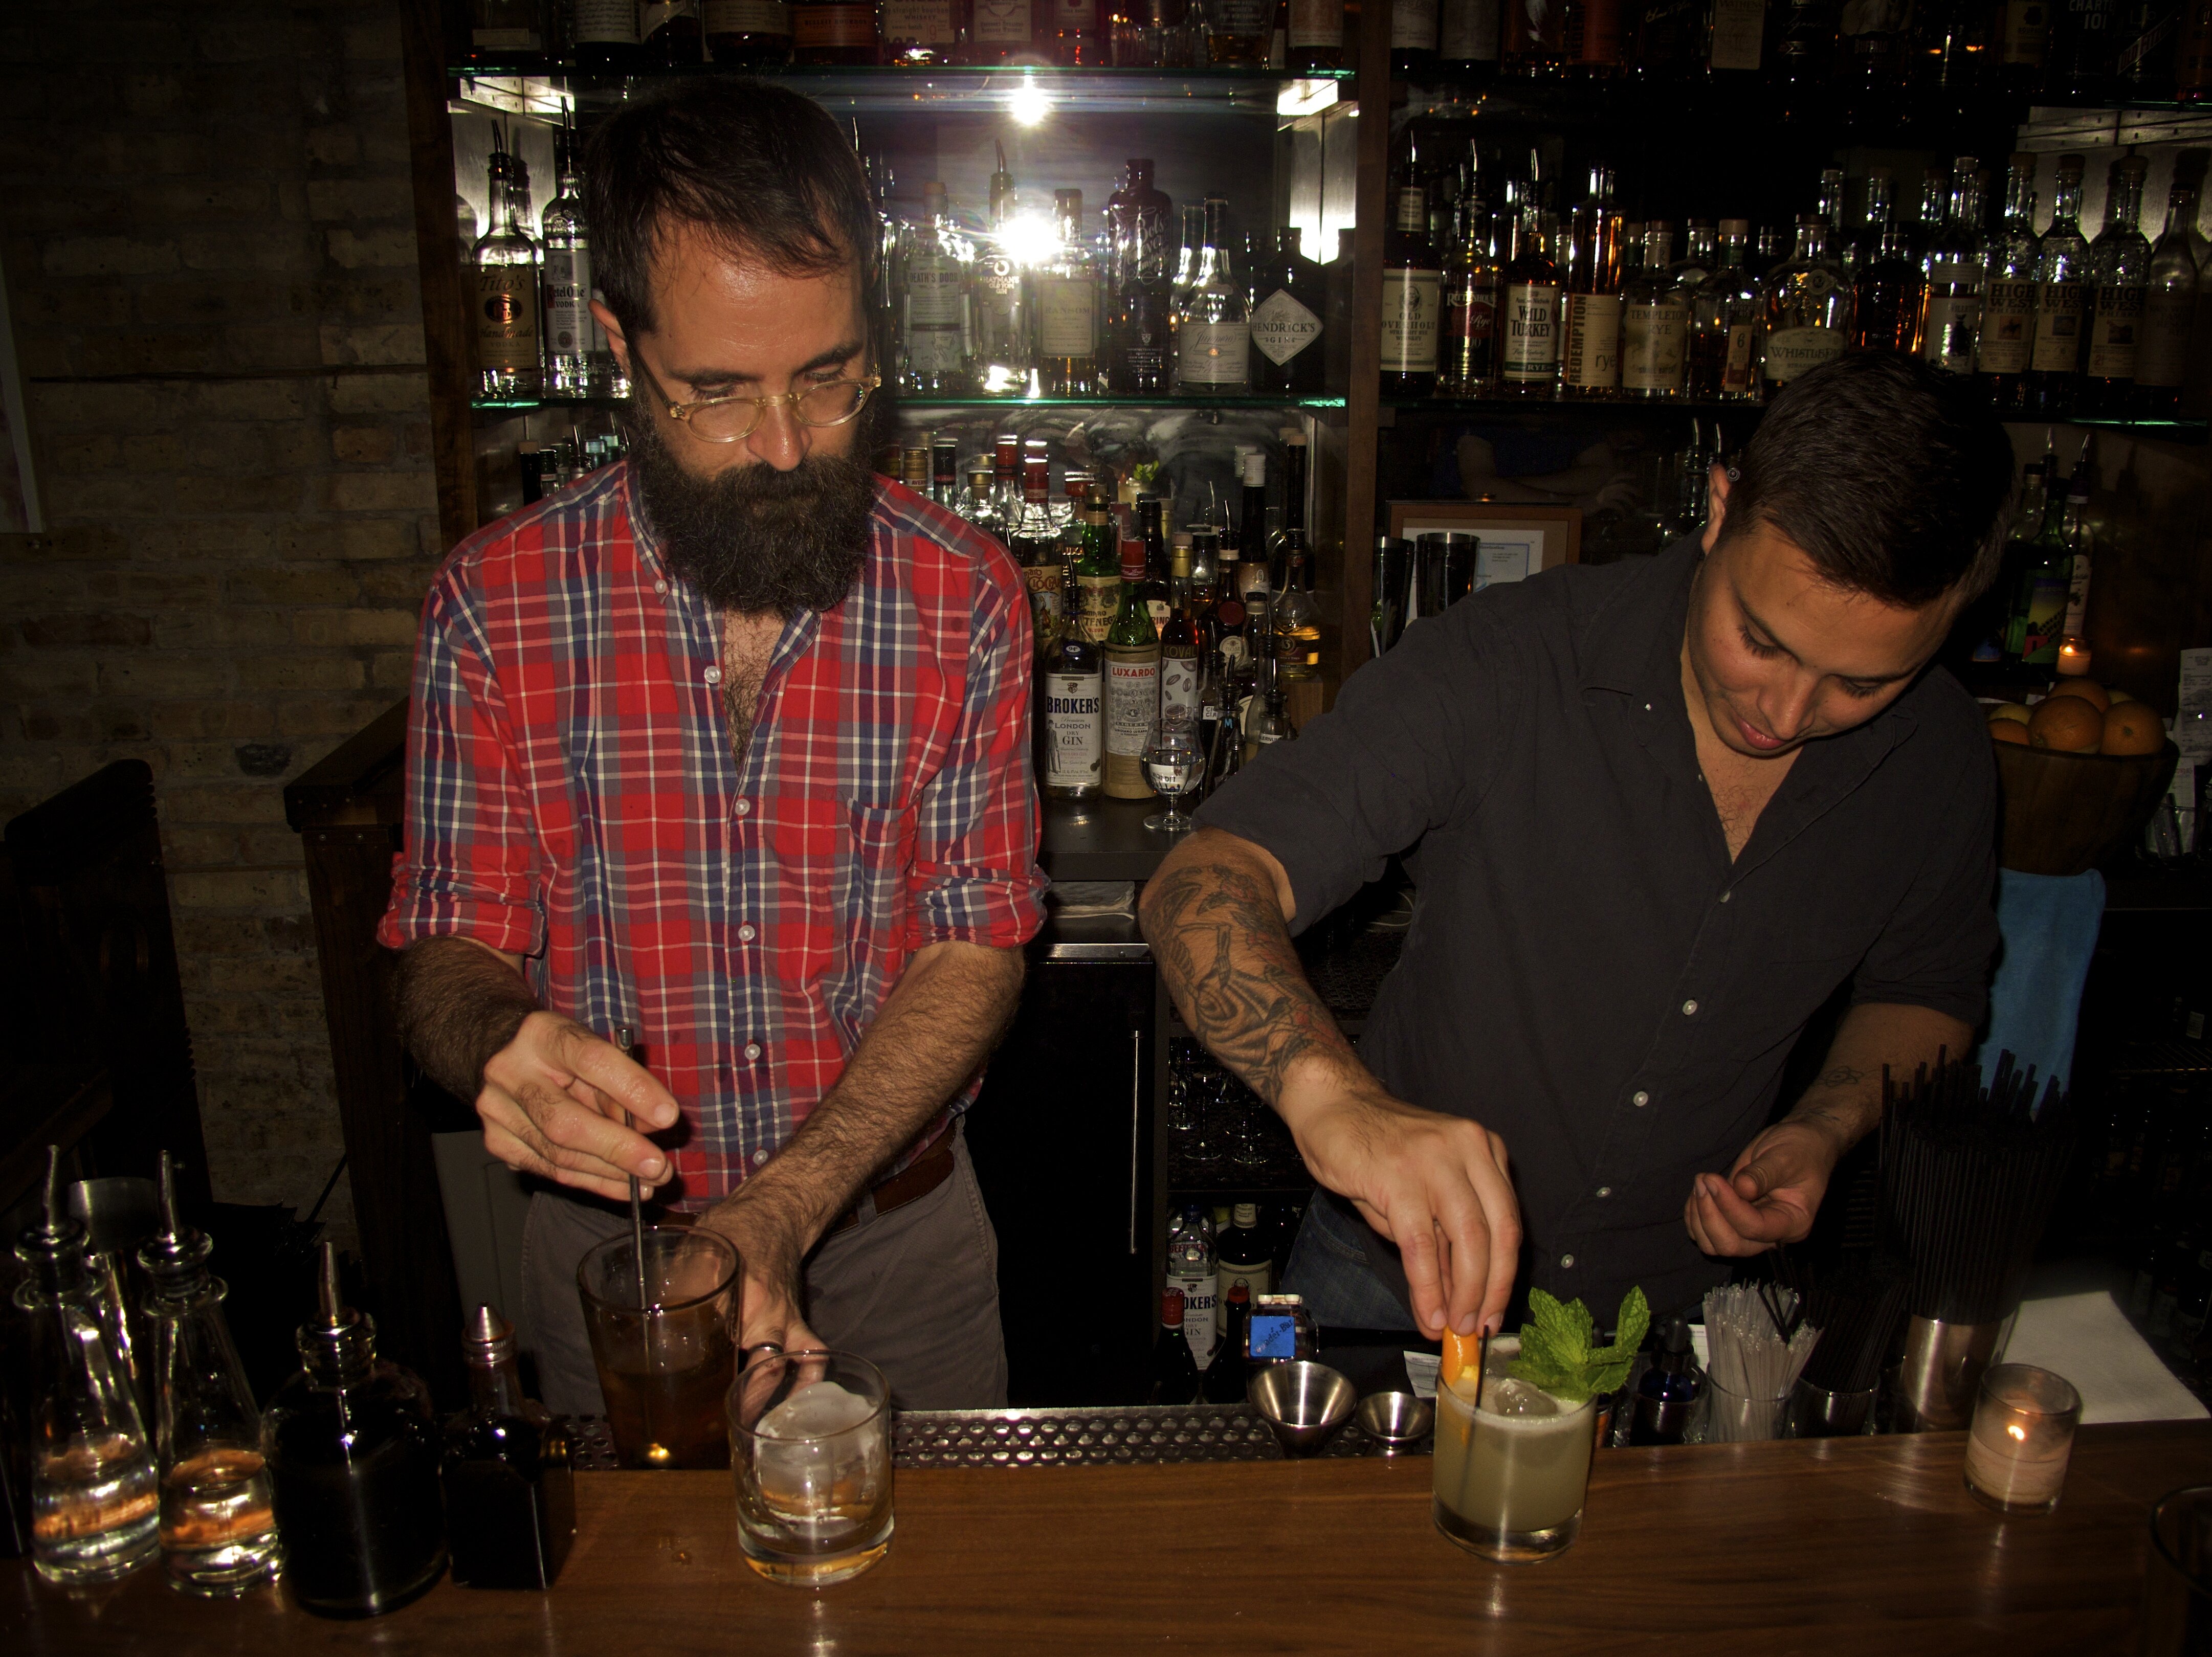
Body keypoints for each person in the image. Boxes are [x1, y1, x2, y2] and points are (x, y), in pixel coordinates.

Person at [377, 79, 1044, 1412]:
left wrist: (783, 1210)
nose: (787, 444)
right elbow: (449, 946)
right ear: (622, 349)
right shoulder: (491, 604)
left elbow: (975, 946)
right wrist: (497, 1039)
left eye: (830, 377)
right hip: (617, 1268)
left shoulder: (963, 595)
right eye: (720, 392)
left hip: (896, 1252)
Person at [1142, 353, 2012, 1342]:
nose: (1788, 712)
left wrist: (1823, 1127)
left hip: (1677, 1317)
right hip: (1391, 1277)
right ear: (1720, 511)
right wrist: (1337, 1101)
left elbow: (1928, 991)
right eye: (1762, 642)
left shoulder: (1939, 755)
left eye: (1861, 685)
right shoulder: (1511, 660)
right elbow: (1202, 881)